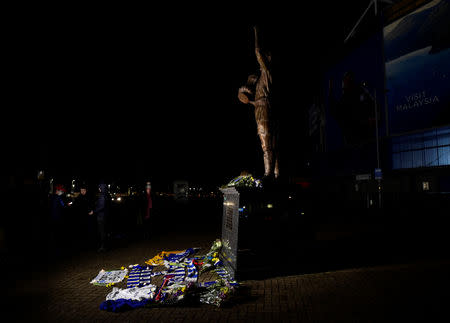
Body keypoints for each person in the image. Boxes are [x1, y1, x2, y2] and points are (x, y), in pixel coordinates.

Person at [238, 26, 280, 179]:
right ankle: (274, 173)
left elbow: (257, 51)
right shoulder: (262, 78)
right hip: (261, 108)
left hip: (264, 110)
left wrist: (255, 32)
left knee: (267, 144)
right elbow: (251, 99)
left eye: (265, 56)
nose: (262, 58)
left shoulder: (266, 72)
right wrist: (246, 98)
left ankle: (270, 174)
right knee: (269, 144)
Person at [73, 183, 95, 250]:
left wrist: (91, 211)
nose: (82, 191)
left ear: (85, 190)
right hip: (81, 216)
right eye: (81, 190)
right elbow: (76, 206)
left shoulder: (89, 197)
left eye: (83, 190)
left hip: (88, 216)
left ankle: (89, 242)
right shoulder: (79, 197)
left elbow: (91, 205)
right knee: (82, 229)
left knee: (88, 229)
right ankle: (82, 243)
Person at [89, 181, 109, 252]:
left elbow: (101, 206)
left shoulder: (102, 196)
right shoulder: (105, 195)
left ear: (101, 188)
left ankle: (103, 246)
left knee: (102, 231)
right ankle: (104, 245)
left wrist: (93, 211)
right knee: (103, 231)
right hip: (104, 215)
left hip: (101, 216)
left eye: (99, 188)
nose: (99, 189)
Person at [49, 184, 68, 257]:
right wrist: (67, 205)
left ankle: (53, 249)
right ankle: (58, 250)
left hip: (52, 218)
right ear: (58, 191)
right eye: (61, 191)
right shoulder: (58, 198)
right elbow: (63, 206)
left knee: (54, 234)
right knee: (58, 234)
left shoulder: (52, 197)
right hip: (58, 219)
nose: (62, 193)